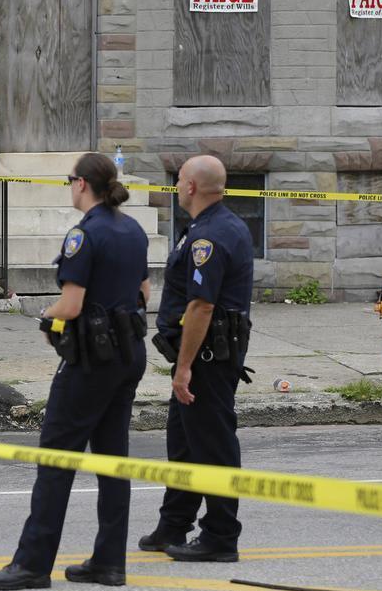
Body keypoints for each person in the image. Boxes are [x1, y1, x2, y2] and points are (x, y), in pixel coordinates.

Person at [0, 153, 151, 590]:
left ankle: (32, 565)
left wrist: (45, 316)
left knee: (55, 460)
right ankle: (110, 563)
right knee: (114, 460)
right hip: (128, 352)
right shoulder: (132, 229)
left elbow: (71, 306)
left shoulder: (85, 234)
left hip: (91, 360)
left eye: (69, 180)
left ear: (81, 185)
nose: (69, 186)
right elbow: (144, 291)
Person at [139, 155, 254, 563]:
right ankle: (174, 523)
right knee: (185, 442)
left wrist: (185, 367)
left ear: (189, 187)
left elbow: (202, 306)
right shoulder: (212, 226)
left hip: (207, 355)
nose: (176, 187)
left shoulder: (210, 237)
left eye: (179, 180)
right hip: (203, 353)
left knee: (213, 444)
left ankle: (221, 536)